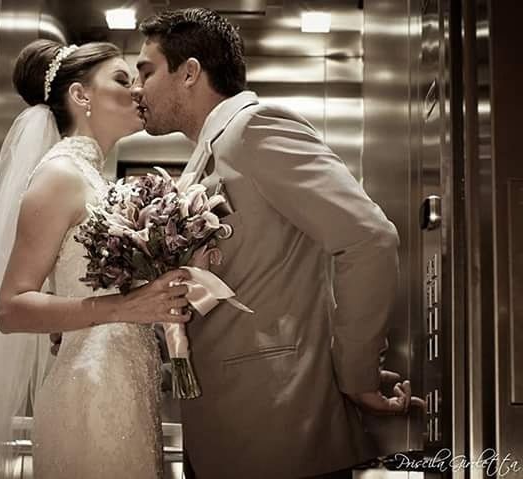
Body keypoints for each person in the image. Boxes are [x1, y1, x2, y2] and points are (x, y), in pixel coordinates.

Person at [131, 7, 424, 479]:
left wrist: (356, 374)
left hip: (281, 430)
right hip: (227, 432)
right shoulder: (204, 158)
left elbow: (367, 239)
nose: (135, 88)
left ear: (189, 73)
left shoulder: (255, 128)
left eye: (146, 71)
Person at [0, 39, 191, 479]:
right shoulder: (61, 176)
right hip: (90, 390)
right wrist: (125, 307)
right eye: (121, 79)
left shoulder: (95, 181)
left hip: (127, 381)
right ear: (80, 96)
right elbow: (10, 307)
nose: (136, 92)